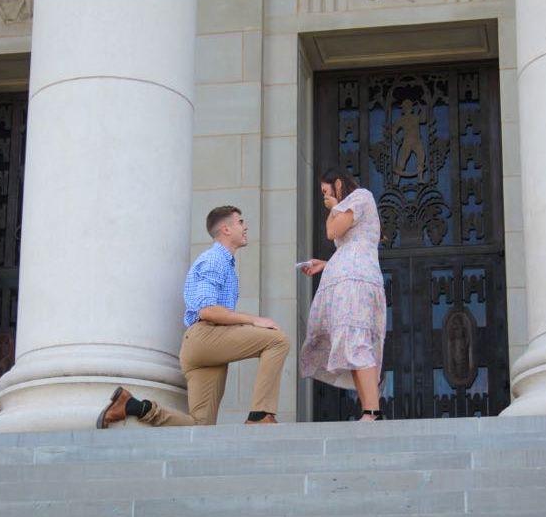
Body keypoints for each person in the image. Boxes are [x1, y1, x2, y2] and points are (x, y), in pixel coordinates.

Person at [97, 205, 290, 428]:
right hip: (205, 336)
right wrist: (255, 320)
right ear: (226, 229)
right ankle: (260, 416)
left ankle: (133, 406)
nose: (245, 227)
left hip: (201, 347)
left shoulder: (224, 262)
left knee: (200, 427)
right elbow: (207, 310)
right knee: (277, 340)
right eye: (240, 222)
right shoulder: (215, 259)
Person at [299, 167, 387, 421]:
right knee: (351, 344)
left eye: (325, 191)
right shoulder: (348, 206)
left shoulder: (360, 197)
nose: (324, 197)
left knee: (358, 341)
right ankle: (368, 410)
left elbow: (333, 231)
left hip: (357, 282)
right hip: (347, 278)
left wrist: (334, 206)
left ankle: (373, 411)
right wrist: (327, 265)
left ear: (338, 184)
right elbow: (348, 247)